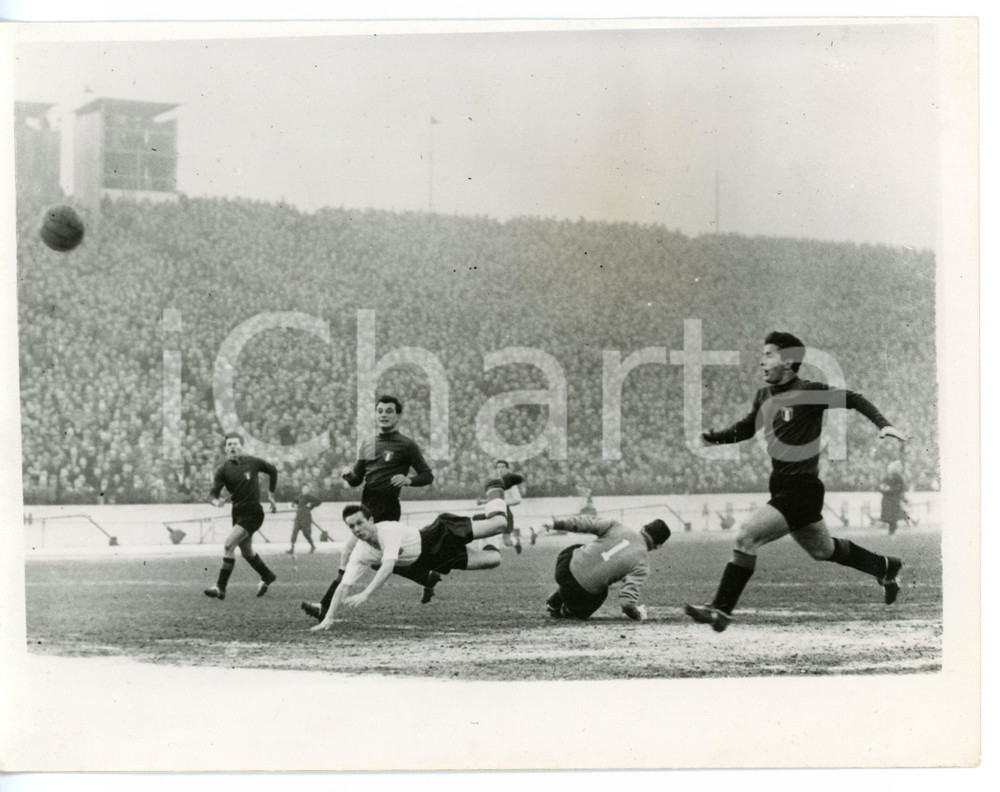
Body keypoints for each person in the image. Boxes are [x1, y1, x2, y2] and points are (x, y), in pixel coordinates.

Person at [684, 331, 908, 632]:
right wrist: (712, 438)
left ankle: (721, 610)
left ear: (789, 362)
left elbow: (853, 398)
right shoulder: (764, 396)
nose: (762, 361)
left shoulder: (808, 392)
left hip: (802, 489)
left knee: (746, 537)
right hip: (781, 485)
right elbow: (747, 429)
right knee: (823, 550)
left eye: (769, 355)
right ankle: (886, 567)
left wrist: (885, 425)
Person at [307, 479, 514, 629]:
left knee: (500, 523)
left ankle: (493, 487)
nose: (357, 529)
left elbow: (388, 567)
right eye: (351, 526)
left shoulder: (387, 530)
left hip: (439, 534)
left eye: (360, 523)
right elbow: (344, 586)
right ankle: (480, 522)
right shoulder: (361, 552)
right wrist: (329, 617)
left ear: (371, 520)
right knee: (494, 560)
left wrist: (366, 593)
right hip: (435, 558)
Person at [542, 514, 672, 621]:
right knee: (600, 592)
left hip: (564, 567)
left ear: (643, 528)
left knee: (583, 550)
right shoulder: (642, 564)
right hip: (580, 592)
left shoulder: (617, 526)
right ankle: (568, 611)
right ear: (657, 546)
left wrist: (554, 524)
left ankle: (556, 599)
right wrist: (637, 614)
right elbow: (627, 603)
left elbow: (585, 522)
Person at [203, 433, 278, 600]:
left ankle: (220, 588)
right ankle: (267, 575)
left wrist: (271, 495)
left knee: (228, 545)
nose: (232, 447)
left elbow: (273, 470)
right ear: (225, 448)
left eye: (235, 444)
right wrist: (216, 502)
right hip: (237, 514)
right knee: (247, 552)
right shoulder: (222, 470)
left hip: (253, 512)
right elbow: (211, 495)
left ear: (242, 446)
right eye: (229, 444)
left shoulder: (253, 462)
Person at [494, 460, 525, 553]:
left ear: (507, 469)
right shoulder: (495, 482)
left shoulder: (511, 484)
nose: (500, 469)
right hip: (494, 511)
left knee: (507, 542)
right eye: (498, 467)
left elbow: (517, 499)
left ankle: (516, 542)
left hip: (505, 512)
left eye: (503, 467)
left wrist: (503, 503)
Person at [287, 483, 321, 554]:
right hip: (298, 517)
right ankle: (292, 548)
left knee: (306, 533)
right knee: (294, 532)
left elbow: (319, 501)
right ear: (302, 490)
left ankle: (312, 546)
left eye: (306, 489)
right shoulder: (299, 497)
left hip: (306, 517)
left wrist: (311, 504)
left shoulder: (310, 497)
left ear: (309, 490)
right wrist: (293, 504)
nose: (305, 490)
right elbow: (293, 502)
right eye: (304, 488)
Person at [878, 460, 910, 535]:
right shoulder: (887, 477)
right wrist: (883, 488)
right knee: (890, 516)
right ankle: (891, 531)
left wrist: (889, 489)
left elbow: (900, 488)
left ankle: (892, 531)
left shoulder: (898, 478)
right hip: (887, 499)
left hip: (893, 499)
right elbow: (881, 487)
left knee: (893, 517)